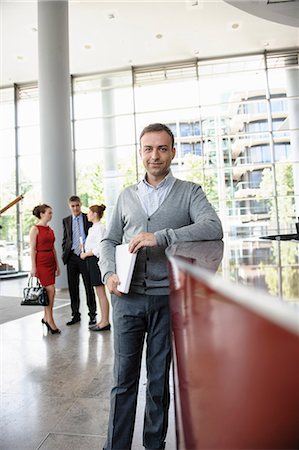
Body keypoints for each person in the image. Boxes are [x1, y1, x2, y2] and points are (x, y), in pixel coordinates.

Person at [99, 123, 223, 450]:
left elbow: (213, 227)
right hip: (126, 300)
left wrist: (164, 236)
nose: (155, 155)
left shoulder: (190, 192)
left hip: (168, 300)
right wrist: (108, 272)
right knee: (123, 382)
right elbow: (109, 240)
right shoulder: (126, 196)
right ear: (141, 153)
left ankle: (154, 445)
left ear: (173, 152)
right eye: (148, 149)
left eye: (162, 148)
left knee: (158, 382)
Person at [62, 195, 97, 326]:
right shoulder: (66, 220)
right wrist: (64, 253)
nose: (75, 208)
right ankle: (75, 314)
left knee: (89, 286)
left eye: (77, 205)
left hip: (85, 256)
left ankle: (92, 315)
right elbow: (66, 238)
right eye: (73, 206)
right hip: (71, 257)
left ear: (80, 205)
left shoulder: (87, 218)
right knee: (73, 287)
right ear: (69, 206)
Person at [29, 203, 61, 334]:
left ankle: (46, 317)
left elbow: (53, 248)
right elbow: (32, 249)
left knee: (48, 292)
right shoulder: (35, 229)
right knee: (51, 290)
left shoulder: (50, 229)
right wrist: (33, 267)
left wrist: (57, 265)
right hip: (41, 262)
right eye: (49, 212)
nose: (51, 215)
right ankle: (50, 319)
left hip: (50, 261)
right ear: (42, 214)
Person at [80, 204, 110, 332]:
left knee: (101, 292)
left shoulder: (100, 228)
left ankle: (105, 321)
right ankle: (103, 320)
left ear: (95, 214)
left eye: (89, 212)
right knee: (99, 292)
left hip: (95, 261)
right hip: (91, 261)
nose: (87, 215)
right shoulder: (93, 228)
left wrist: (87, 253)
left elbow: (100, 247)